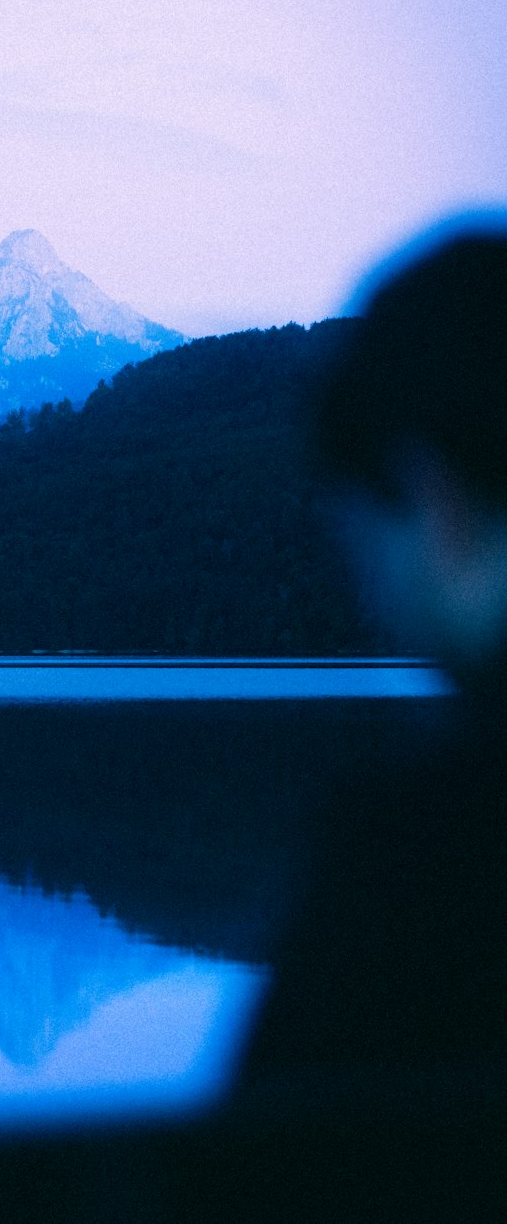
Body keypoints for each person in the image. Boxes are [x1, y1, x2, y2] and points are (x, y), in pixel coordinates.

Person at [221, 223, 507, 1216]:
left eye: (361, 537)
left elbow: (254, 1184)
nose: (372, 594)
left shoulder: (424, 852)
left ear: (435, 505)